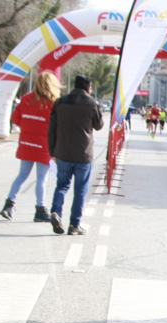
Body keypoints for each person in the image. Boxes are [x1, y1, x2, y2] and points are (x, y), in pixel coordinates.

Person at [47, 75, 105, 235]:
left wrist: (52, 151)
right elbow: (99, 126)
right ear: (88, 88)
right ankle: (74, 225)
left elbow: (51, 129)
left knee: (62, 185)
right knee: (80, 191)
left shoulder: (60, 102)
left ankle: (56, 212)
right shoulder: (92, 104)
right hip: (83, 154)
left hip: (63, 152)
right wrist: (98, 109)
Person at [0, 71, 59, 222]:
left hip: (26, 143)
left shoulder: (26, 99)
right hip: (44, 145)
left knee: (22, 175)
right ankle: (40, 209)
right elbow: (57, 126)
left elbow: (15, 118)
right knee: (42, 179)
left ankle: (9, 204)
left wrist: (28, 128)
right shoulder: (53, 103)